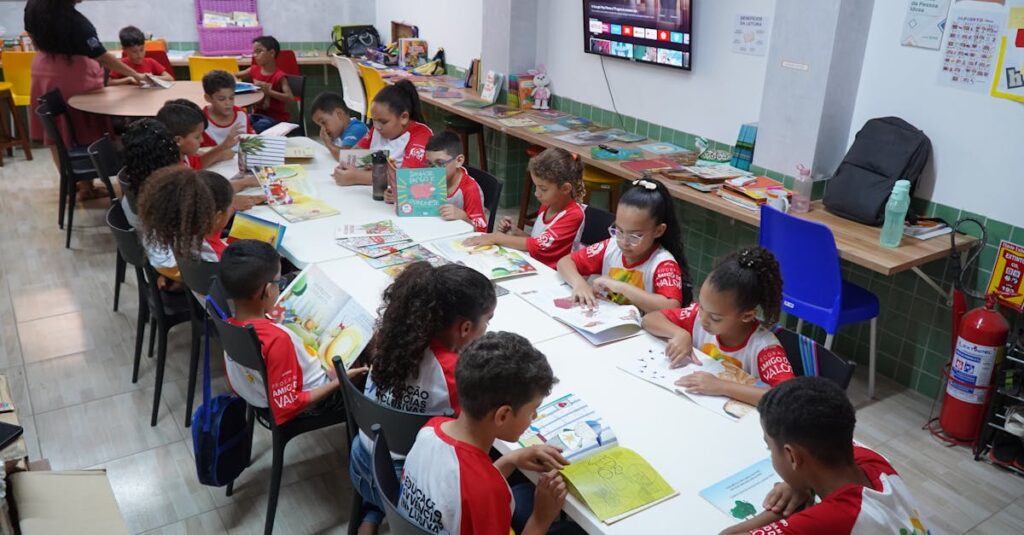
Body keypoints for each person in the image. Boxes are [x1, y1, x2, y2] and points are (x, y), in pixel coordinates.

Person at [349, 261, 497, 535]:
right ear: (465, 328)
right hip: (404, 482)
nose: (487, 328)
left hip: (360, 462)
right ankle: (380, 510)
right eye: (488, 320)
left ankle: (371, 515)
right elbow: (472, 425)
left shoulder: (391, 339)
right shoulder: (453, 371)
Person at [399, 331, 570, 535]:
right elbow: (478, 491)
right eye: (533, 410)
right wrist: (541, 518)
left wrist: (510, 460)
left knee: (524, 493)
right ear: (503, 415)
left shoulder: (431, 429)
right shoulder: (488, 491)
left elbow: (462, 488)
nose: (534, 417)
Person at [721, 377, 929, 535]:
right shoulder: (874, 461)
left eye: (770, 448)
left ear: (792, 456)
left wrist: (777, 512)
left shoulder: (833, 519)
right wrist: (802, 485)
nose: (770, 454)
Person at [217, 240, 367, 425]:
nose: (279, 286)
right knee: (368, 355)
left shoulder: (230, 325)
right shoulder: (277, 340)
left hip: (257, 392)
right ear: (267, 290)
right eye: (278, 282)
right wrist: (340, 381)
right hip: (310, 402)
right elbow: (286, 407)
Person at [25, 0, 146, 199]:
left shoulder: (33, 6)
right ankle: (87, 186)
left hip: (42, 68)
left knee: (58, 133)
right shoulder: (77, 22)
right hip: (72, 75)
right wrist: (136, 75)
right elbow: (101, 55)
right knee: (85, 127)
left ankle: (77, 185)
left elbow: (31, 34)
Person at [642, 246, 794, 405]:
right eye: (701, 306)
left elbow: (786, 398)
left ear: (747, 315)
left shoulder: (764, 349)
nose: (703, 319)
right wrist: (679, 333)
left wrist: (722, 386)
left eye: (715, 318)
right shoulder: (697, 317)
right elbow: (650, 319)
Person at [557, 178, 688, 313]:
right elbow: (565, 262)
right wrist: (580, 284)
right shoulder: (611, 246)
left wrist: (621, 287)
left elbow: (672, 306)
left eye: (635, 236)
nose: (624, 242)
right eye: (619, 231)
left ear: (658, 231)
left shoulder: (663, 264)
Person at [463, 147, 585, 269]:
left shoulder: (574, 214)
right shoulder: (548, 203)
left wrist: (497, 238)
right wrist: (516, 232)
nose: (537, 193)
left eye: (543, 189)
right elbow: (541, 241)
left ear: (565, 189)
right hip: (536, 265)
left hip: (555, 274)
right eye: (536, 187)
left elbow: (539, 246)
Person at [156, 100, 262, 210]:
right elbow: (201, 205)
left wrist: (223, 147)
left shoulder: (181, 156)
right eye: (197, 137)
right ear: (178, 140)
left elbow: (197, 163)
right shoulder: (175, 174)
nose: (202, 140)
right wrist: (233, 206)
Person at [332, 80, 432, 186]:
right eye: (374, 120)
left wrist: (357, 177)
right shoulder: (378, 129)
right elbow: (354, 155)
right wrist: (345, 167)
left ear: (403, 117)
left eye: (383, 122)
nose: (377, 126)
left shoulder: (421, 135)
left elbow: (407, 178)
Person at [136, 167, 234, 263]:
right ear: (217, 217)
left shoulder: (160, 234)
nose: (233, 208)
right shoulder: (216, 257)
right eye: (231, 206)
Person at [424, 131, 488, 232]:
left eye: (440, 163)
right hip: (433, 231)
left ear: (458, 161)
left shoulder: (470, 188)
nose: (433, 170)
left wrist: (463, 217)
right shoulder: (426, 178)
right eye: (429, 164)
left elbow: (482, 230)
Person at [238, 36, 293, 133]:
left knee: (257, 128)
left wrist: (269, 92)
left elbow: (289, 97)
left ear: (271, 53)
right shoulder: (253, 69)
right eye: (254, 52)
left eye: (259, 51)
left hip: (275, 118)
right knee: (240, 123)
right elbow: (235, 75)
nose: (255, 55)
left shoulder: (279, 76)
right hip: (257, 115)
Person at [200, 69, 253, 163]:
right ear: (208, 98)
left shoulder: (241, 115)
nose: (228, 103)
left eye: (231, 98)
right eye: (221, 99)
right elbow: (199, 155)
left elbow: (250, 143)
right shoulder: (201, 120)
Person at [309, 91, 368, 159]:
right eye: (320, 126)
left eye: (323, 123)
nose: (323, 129)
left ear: (339, 114)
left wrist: (328, 144)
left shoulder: (357, 129)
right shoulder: (338, 132)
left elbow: (345, 156)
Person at [108, 25, 172, 86]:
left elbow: (170, 78)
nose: (139, 55)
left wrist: (152, 78)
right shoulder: (121, 64)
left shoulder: (150, 62)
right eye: (134, 51)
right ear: (124, 50)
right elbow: (109, 82)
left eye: (142, 50)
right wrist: (129, 79)